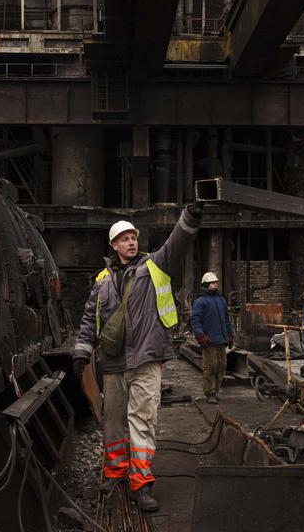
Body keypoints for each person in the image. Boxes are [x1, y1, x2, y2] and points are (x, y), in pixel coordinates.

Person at [72, 205, 202, 512]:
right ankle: (115, 473)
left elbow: (177, 243)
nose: (131, 242)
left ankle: (140, 484)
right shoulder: (102, 279)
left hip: (146, 359)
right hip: (113, 363)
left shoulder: (155, 266)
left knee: (143, 423)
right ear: (114, 246)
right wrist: (81, 352)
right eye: (125, 238)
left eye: (134, 237)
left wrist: (190, 219)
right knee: (113, 422)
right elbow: (90, 319)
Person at [190, 272, 234, 404]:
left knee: (221, 366)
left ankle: (216, 390)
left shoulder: (221, 300)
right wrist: (200, 336)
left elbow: (226, 319)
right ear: (206, 285)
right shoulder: (200, 301)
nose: (215, 284)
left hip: (221, 340)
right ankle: (210, 393)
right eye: (212, 282)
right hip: (209, 341)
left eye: (216, 282)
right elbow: (195, 320)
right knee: (211, 367)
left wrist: (230, 334)